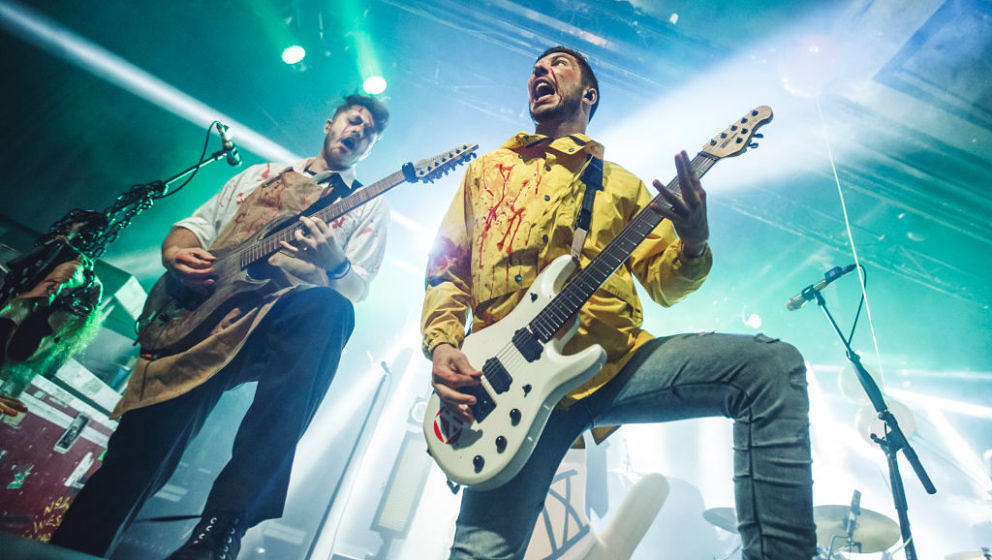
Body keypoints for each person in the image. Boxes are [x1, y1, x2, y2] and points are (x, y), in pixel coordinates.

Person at [421, 47, 816, 560]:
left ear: (589, 95)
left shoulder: (621, 185)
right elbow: (448, 266)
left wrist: (693, 241)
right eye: (536, 67)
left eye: (558, 64)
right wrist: (442, 345)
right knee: (478, 553)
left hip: (616, 365)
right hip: (507, 383)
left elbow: (665, 285)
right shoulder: (486, 173)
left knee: (770, 368)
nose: (540, 70)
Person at [52, 94, 390, 560]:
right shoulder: (260, 175)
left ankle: (224, 525)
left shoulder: (366, 205)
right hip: (199, 318)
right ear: (330, 123)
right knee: (132, 462)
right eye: (355, 121)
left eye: (370, 133)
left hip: (275, 323)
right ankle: (72, 550)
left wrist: (336, 264)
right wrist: (176, 254)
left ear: (371, 148)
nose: (359, 133)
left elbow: (356, 289)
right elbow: (195, 225)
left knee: (329, 312)